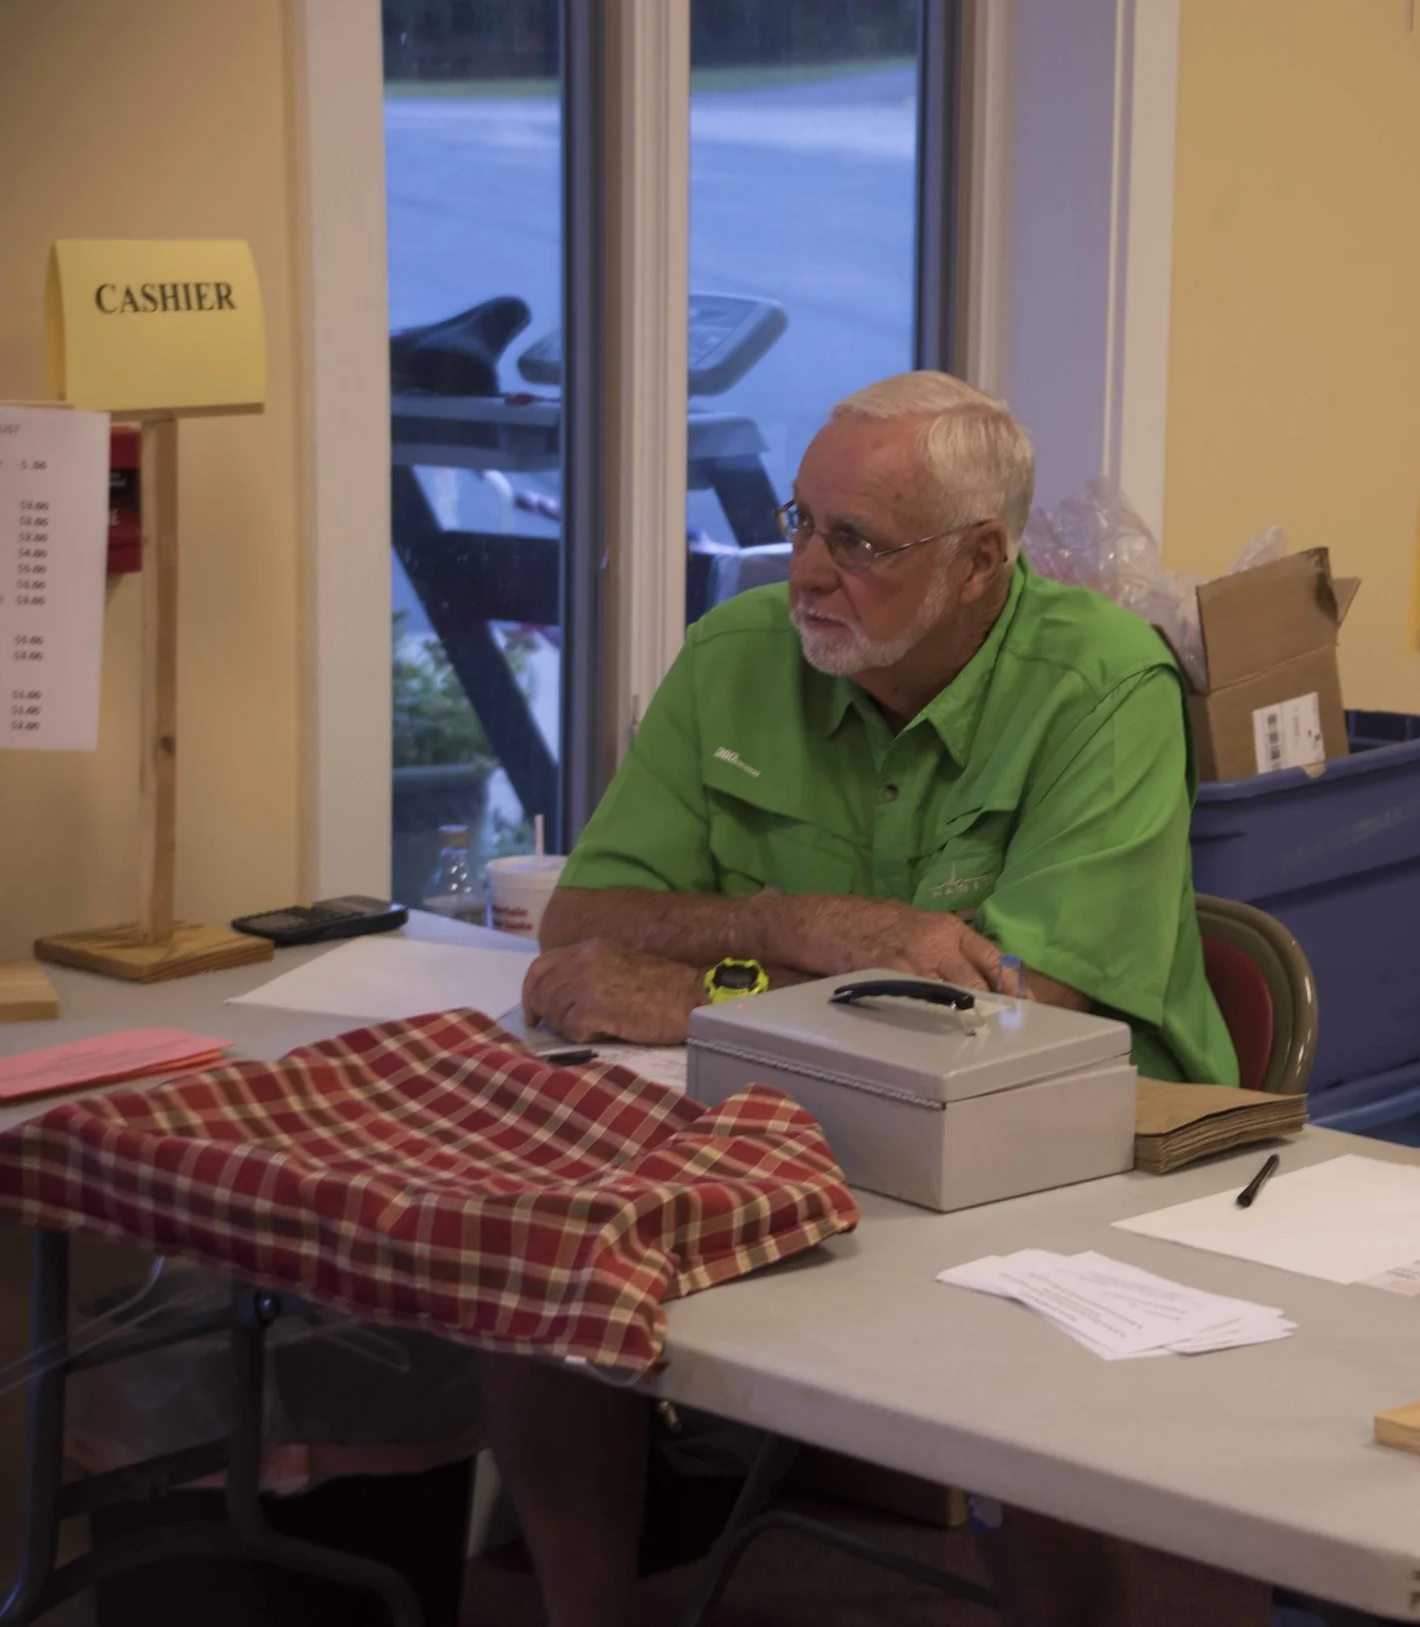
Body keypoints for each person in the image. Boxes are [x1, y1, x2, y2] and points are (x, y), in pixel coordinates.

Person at [482, 372, 1256, 1627]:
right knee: (541, 1243)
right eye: (800, 522)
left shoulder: (1105, 682)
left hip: (1063, 1151)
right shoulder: (738, 651)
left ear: (979, 562)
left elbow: (1017, 1016)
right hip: (791, 1113)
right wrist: (777, 928)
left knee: (1061, 1400)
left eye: (859, 543)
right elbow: (582, 926)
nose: (806, 571)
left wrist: (694, 997)